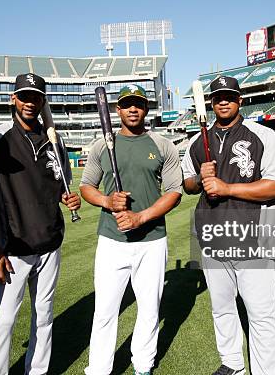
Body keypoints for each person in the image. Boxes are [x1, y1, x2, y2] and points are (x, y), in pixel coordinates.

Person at [182, 76, 275, 375]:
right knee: (222, 308)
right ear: (211, 102)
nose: (223, 101)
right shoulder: (196, 143)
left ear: (239, 100)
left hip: (254, 239)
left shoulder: (263, 135)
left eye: (229, 96)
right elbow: (188, 185)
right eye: (217, 97)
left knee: (261, 314)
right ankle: (232, 363)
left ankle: (266, 371)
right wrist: (199, 178)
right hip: (213, 238)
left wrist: (227, 188)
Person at [0, 73, 81, 375]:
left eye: (36, 97)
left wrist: (68, 199)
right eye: (24, 96)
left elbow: (60, 186)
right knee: (4, 319)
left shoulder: (53, 139)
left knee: (44, 315)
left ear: (42, 101)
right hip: (13, 246)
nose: (29, 102)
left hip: (49, 241)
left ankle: (37, 371)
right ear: (13, 99)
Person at [80, 84, 182, 375]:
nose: (133, 109)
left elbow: (174, 192)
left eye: (138, 104)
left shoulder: (163, 145)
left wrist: (141, 218)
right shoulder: (102, 145)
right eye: (127, 105)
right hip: (112, 240)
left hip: (151, 240)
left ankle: (143, 365)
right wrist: (108, 201)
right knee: (105, 311)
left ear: (146, 108)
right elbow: (87, 186)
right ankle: (99, 369)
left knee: (149, 309)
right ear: (117, 110)